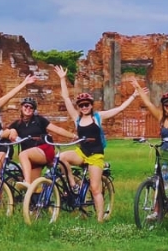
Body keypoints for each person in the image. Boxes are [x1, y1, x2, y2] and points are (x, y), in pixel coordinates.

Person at [55, 65, 137, 222]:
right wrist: (62, 79)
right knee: (60, 158)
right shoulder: (77, 118)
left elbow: (119, 109)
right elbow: (66, 98)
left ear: (91, 105)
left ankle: (100, 219)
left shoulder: (98, 117)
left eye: (87, 104)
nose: (84, 107)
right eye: (81, 105)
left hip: (96, 156)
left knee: (95, 188)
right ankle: (73, 184)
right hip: (82, 153)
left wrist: (134, 95)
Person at [0, 92, 76, 187]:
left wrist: (73, 136)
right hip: (32, 157)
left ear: (34, 110)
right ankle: (34, 193)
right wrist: (12, 130)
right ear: (21, 107)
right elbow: (3, 134)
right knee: (34, 187)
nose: (28, 108)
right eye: (26, 106)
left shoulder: (39, 120)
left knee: (22, 155)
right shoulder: (17, 124)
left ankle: (26, 182)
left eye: (31, 107)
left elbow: (57, 129)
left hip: (44, 150)